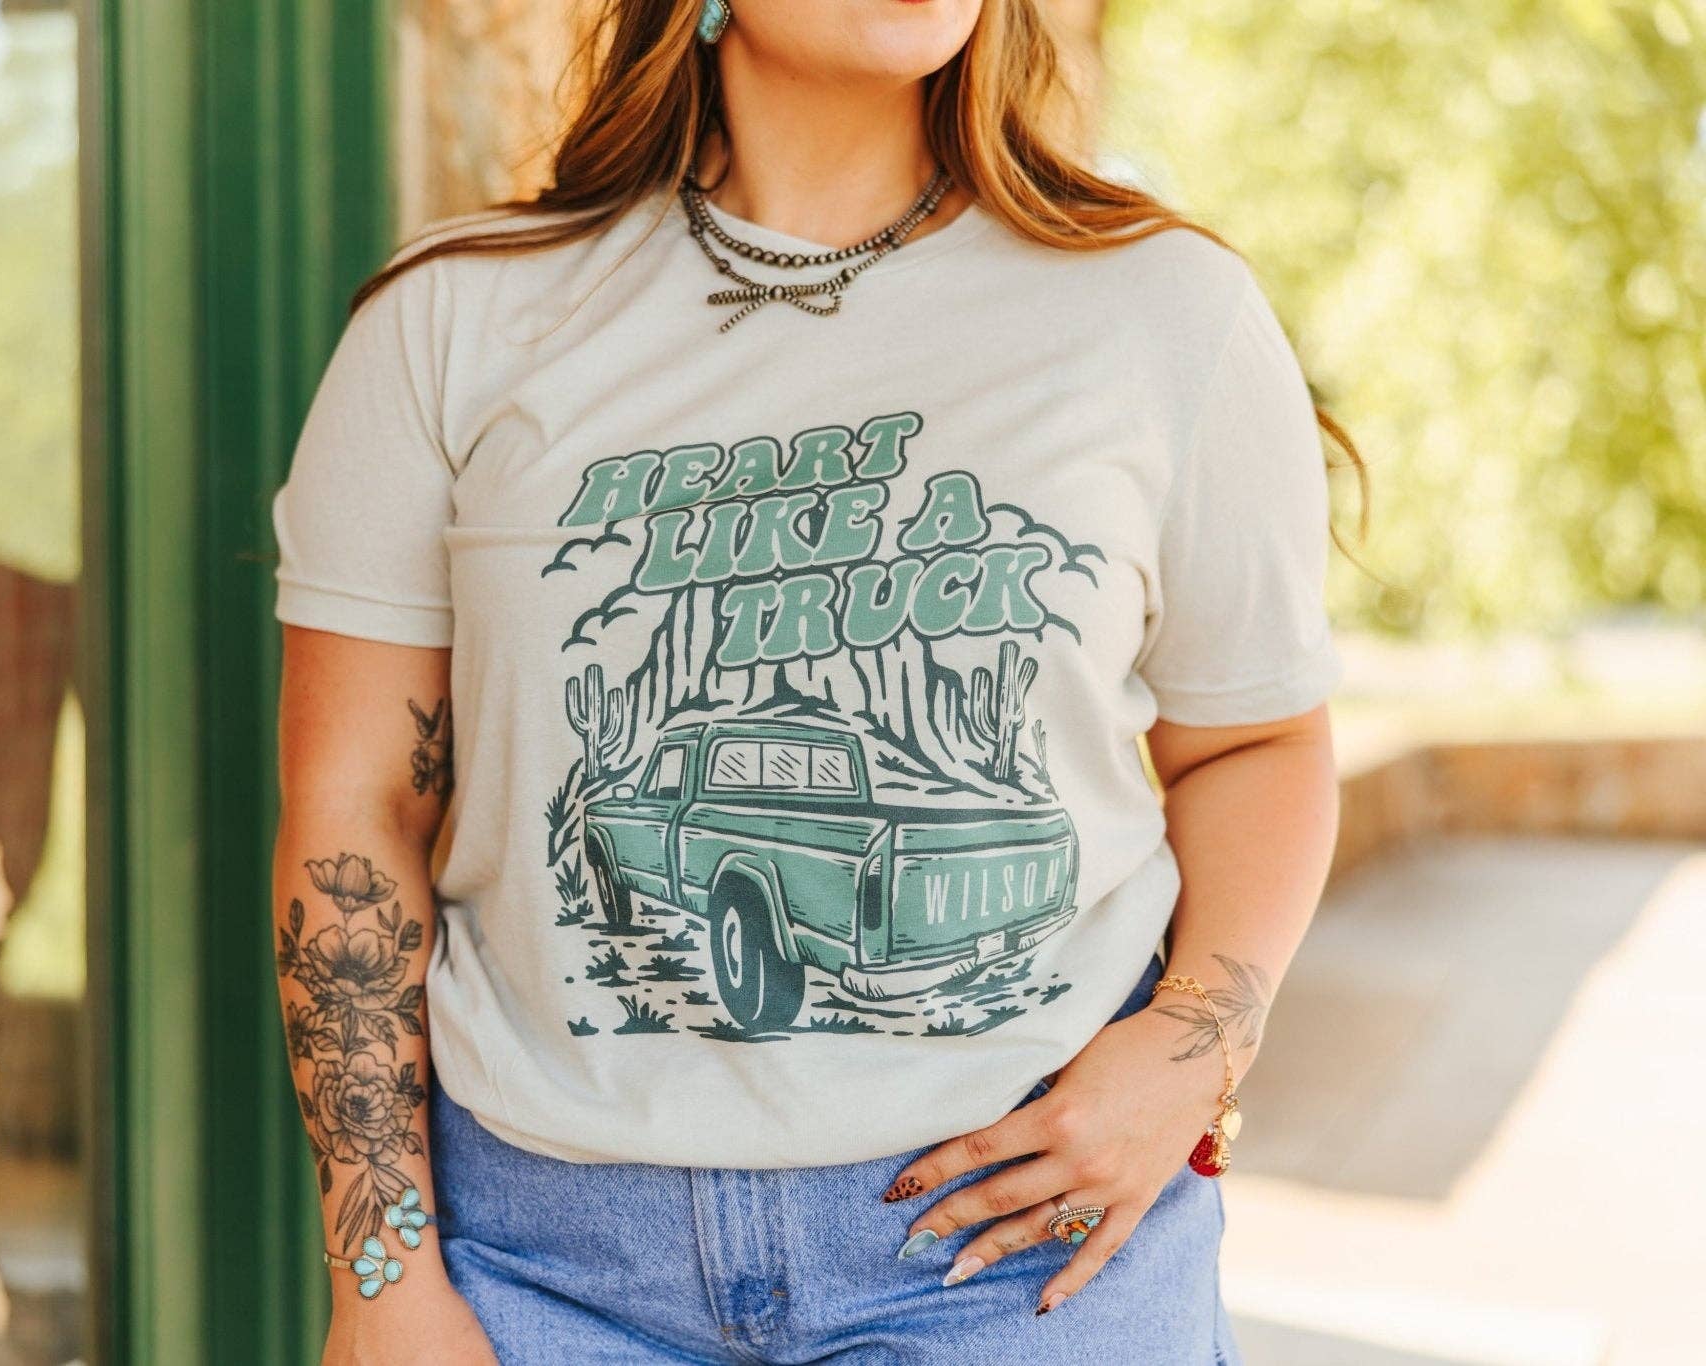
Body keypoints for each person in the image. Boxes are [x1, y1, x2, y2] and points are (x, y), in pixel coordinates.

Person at [271, 1, 1353, 1361]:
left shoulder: (1163, 308)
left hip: (1020, 1239)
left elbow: (1255, 744)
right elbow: (358, 810)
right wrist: (379, 1277)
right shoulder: (451, 320)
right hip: (552, 1268)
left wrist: (1194, 1048)